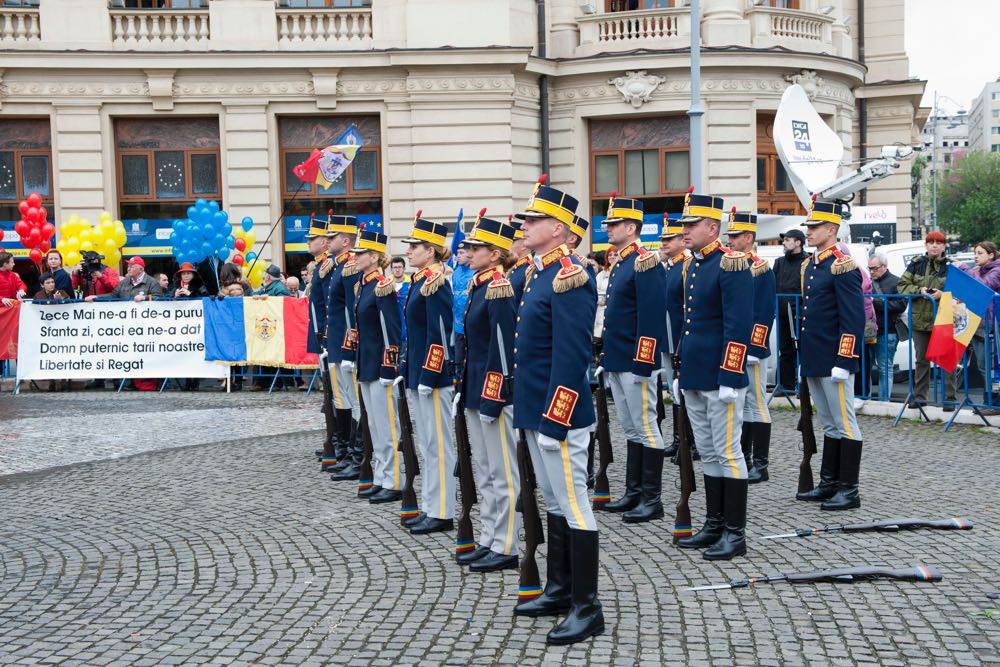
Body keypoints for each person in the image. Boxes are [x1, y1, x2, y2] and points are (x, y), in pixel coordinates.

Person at [510, 175, 603, 645]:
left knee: (575, 505)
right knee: (554, 502)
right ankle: (561, 587)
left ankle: (588, 606)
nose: (526, 224)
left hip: (558, 415)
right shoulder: (538, 273)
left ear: (561, 230)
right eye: (527, 217)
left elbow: (571, 356)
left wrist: (555, 417)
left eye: (536, 218)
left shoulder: (570, 276)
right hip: (535, 408)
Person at [674, 190, 752, 561]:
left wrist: (730, 375)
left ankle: (735, 533)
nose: (684, 230)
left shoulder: (730, 264)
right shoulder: (694, 265)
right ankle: (715, 523)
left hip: (721, 375)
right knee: (707, 452)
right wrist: (681, 370)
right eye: (684, 224)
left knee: (728, 452)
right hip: (695, 373)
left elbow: (738, 326)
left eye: (691, 225)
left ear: (712, 227)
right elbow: (689, 324)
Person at [454, 213, 521, 572]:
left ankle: (507, 544)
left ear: (494, 254)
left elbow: (502, 350)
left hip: (493, 392)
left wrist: (494, 397)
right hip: (474, 388)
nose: (469, 251)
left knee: (502, 471)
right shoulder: (478, 285)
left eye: (477, 247)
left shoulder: (499, 288)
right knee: (484, 470)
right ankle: (489, 537)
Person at [597, 196, 667, 524]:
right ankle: (634, 491)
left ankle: (652, 499)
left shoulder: (644, 261)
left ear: (631, 227)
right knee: (631, 427)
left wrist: (644, 362)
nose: (606, 228)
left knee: (646, 426)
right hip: (618, 357)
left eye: (613, 224)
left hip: (635, 361)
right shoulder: (622, 262)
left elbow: (650, 317)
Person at [794, 200, 865, 511]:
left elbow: (853, 319)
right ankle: (829, 482)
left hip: (835, 359)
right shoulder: (811, 265)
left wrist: (845, 360)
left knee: (845, 423)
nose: (808, 232)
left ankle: (849, 489)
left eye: (814, 227)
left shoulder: (842, 266)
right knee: (829, 424)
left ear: (831, 230)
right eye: (808, 227)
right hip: (815, 357)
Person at [400, 213, 456, 535]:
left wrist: (429, 375)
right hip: (418, 375)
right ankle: (431, 506)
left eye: (415, 246)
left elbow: (439, 333)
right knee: (427, 445)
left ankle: (443, 511)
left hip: (431, 379)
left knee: (439, 447)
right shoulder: (420, 281)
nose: (409, 252)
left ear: (431, 251)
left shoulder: (435, 284)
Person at [350, 227, 405, 505]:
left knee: (387, 426)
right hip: (366, 364)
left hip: (380, 367)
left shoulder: (382, 286)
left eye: (361, 254)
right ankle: (382, 477)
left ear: (374, 257)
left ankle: (394, 480)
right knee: (374, 425)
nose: (356, 257)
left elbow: (391, 332)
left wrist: (389, 368)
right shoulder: (364, 286)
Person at [725, 209, 775, 484]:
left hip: (752, 348)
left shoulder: (760, 268)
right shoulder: (731, 264)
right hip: (735, 346)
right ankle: (743, 456)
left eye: (735, 235)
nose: (730, 240)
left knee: (756, 405)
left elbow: (764, 311)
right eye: (729, 235)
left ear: (749, 237)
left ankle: (761, 463)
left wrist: (756, 347)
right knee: (741, 405)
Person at [897, 230, 958, 410]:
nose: (934, 245)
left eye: (938, 242)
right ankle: (920, 397)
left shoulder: (951, 266)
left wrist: (943, 294)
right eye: (931, 242)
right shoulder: (916, 264)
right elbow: (901, 286)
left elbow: (960, 291)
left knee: (947, 360)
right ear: (926, 245)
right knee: (921, 360)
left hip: (944, 319)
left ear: (944, 246)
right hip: (919, 320)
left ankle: (950, 399)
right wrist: (919, 291)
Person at [324, 215, 364, 481]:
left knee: (354, 402)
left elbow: (352, 311)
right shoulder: (338, 266)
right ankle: (350, 452)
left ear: (346, 240)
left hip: (345, 344)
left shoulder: (349, 267)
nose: (328, 240)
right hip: (336, 343)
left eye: (332, 236)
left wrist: (350, 349)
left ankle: (358, 456)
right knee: (345, 400)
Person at [304, 217, 338, 466]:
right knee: (329, 392)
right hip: (320, 332)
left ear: (325, 242)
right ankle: (333, 438)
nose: (308, 241)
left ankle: (336, 441)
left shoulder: (327, 266)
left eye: (312, 238)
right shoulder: (321, 265)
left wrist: (325, 334)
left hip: (327, 334)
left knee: (335, 392)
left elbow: (328, 304)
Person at [659, 216, 690, 462]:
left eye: (670, 239)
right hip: (668, 336)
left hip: (681, 335)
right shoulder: (669, 267)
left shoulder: (686, 265)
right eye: (663, 239)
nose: (664, 243)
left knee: (685, 389)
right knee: (673, 389)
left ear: (682, 240)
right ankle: (678, 438)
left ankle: (689, 440)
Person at [956, 241, 1000, 404]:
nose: (976, 256)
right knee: (983, 366)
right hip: (977, 324)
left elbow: (983, 286)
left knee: (993, 367)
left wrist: (963, 269)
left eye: (980, 253)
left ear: (991, 255)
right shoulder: (977, 271)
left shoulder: (997, 270)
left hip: (993, 325)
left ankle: (995, 399)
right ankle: (990, 398)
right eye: (975, 252)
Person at [867, 252, 906, 401]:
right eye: (869, 268)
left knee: (885, 368)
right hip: (870, 331)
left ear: (884, 266)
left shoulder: (896, 282)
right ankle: (866, 398)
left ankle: (884, 402)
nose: (871, 272)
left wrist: (875, 301)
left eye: (874, 268)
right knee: (866, 368)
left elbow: (901, 305)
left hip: (888, 331)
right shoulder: (868, 282)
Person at [773, 229, 808, 392]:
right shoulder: (779, 262)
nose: (784, 243)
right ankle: (786, 385)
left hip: (800, 314)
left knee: (803, 350)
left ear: (798, 242)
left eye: (788, 240)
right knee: (785, 350)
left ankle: (805, 386)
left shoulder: (808, 261)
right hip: (782, 313)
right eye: (784, 240)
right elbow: (773, 285)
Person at [33, 271, 73, 391]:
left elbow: (71, 308)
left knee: (63, 356)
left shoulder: (62, 292)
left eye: (52, 282)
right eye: (48, 283)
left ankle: (64, 382)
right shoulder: (38, 295)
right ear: (42, 285)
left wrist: (60, 301)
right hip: (46, 331)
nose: (51, 285)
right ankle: (52, 382)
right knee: (50, 356)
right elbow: (35, 310)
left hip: (62, 331)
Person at [86, 256, 162, 302]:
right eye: (128, 266)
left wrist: (144, 297)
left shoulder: (152, 282)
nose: (128, 269)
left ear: (141, 269)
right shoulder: (124, 282)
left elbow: (159, 299)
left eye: (132, 267)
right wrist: (96, 297)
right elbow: (113, 295)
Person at [451, 242, 475, 376]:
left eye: (461, 253)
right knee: (458, 360)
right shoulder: (455, 273)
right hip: (458, 325)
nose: (458, 256)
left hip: (471, 323)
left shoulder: (475, 271)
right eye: (457, 253)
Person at [507, 218, 532, 304]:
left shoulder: (530, 269)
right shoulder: (514, 267)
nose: (508, 246)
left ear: (524, 245)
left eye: (511, 242)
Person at [390, 255, 410, 341]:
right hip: (391, 330)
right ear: (391, 269)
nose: (397, 270)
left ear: (404, 269)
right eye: (395, 267)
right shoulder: (385, 286)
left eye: (400, 267)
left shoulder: (411, 285)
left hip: (407, 331)